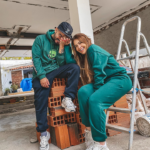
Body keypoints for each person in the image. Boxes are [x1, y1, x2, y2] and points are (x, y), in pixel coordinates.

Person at [72, 33, 132, 150]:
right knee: (83, 91)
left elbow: (99, 73)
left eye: (80, 43)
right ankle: (89, 131)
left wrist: (97, 95)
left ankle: (101, 143)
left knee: (95, 100)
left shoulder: (93, 49)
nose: (79, 47)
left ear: (87, 40)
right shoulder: (84, 57)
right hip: (107, 81)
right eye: (75, 46)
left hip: (120, 79)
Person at [32, 22, 80, 150]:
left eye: (64, 37)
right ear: (55, 29)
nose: (60, 38)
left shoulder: (63, 43)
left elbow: (63, 63)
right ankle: (43, 133)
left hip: (55, 70)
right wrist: (42, 76)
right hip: (42, 73)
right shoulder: (40, 39)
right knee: (40, 101)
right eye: (60, 34)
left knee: (74, 68)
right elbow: (35, 59)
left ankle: (68, 98)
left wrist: (62, 47)